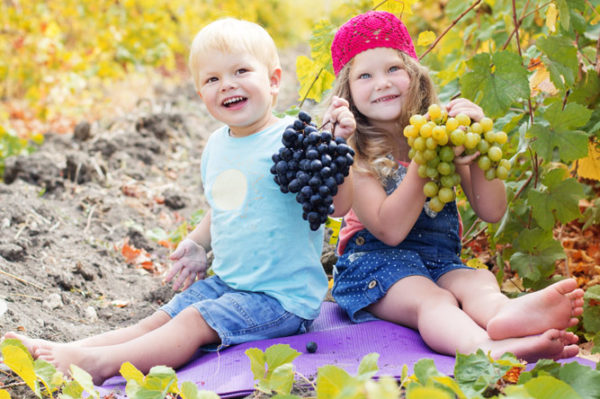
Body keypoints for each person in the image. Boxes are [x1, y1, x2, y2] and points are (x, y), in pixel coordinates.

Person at [3, 17, 353, 385]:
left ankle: (101, 364)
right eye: (212, 79)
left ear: (274, 80)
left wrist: (339, 147)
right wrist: (199, 244)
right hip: (230, 284)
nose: (227, 84)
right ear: (201, 94)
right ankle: (75, 349)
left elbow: (338, 206)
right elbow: (225, 206)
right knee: (160, 319)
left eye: (240, 71)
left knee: (192, 322)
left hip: (281, 300)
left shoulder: (294, 140)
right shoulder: (217, 145)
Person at [322, 10, 585, 363]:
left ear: (415, 76)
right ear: (349, 94)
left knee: (478, 283)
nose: (382, 82)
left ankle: (502, 317)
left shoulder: (443, 134)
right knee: (432, 299)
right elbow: (390, 230)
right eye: (365, 75)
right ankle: (485, 348)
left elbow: (491, 210)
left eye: (393, 69)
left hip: (440, 261)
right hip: (374, 267)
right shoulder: (356, 153)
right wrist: (422, 164)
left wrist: (475, 151)